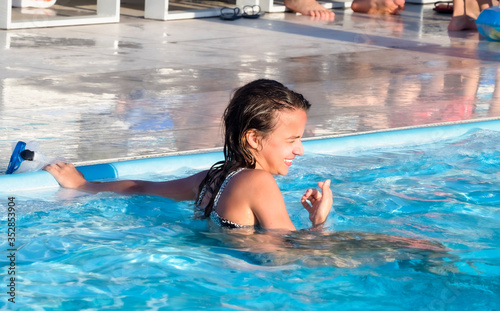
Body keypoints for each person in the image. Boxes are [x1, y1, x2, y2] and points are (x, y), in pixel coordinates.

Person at [45, 79, 333, 232]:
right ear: (254, 138)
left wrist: (84, 185)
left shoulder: (215, 178)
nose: (300, 149)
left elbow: (142, 188)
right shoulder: (259, 182)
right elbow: (291, 255)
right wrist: (318, 223)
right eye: (292, 140)